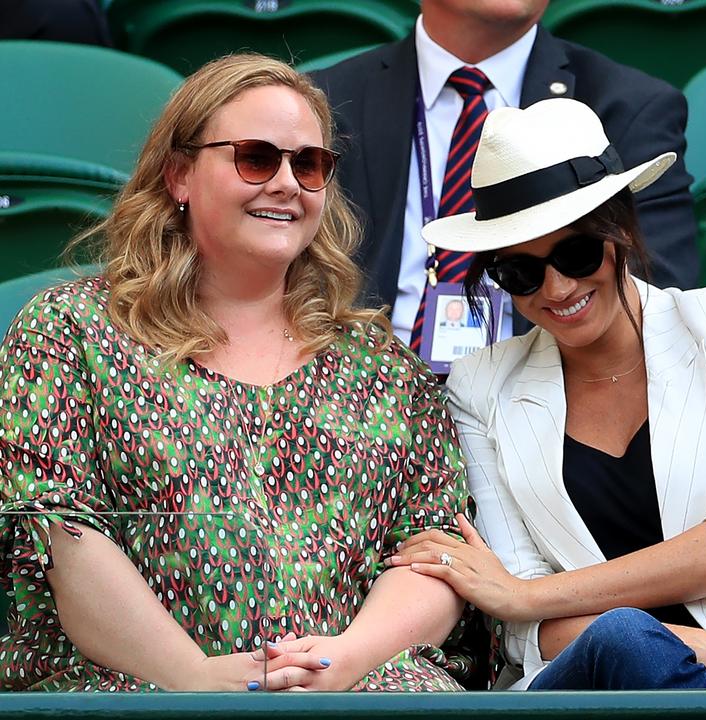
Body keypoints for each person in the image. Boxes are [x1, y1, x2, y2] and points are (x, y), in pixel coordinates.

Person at [382, 97, 706, 690]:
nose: (557, 288)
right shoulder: (481, 386)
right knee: (626, 641)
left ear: (621, 229)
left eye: (576, 253)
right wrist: (680, 643)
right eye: (520, 272)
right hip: (595, 689)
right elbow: (527, 634)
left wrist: (524, 594)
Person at [0, 54, 470, 692]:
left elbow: (436, 552)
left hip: (357, 691)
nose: (286, 184)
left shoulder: (382, 364)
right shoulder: (71, 332)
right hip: (138, 688)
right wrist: (196, 680)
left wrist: (344, 663)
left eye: (309, 165)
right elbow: (60, 536)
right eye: (256, 158)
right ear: (180, 175)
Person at [311, 0, 698, 350]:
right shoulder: (324, 101)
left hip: (547, 401)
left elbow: (657, 299)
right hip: (361, 401)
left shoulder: (628, 106)